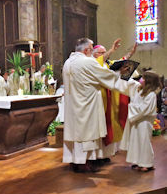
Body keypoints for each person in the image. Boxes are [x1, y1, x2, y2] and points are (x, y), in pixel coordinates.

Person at [62, 37, 129, 172]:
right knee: (85, 134)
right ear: (86, 50)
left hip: (73, 105)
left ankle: (74, 160)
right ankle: (82, 162)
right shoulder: (87, 62)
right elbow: (105, 76)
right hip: (86, 104)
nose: (92, 52)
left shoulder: (68, 62)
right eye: (92, 49)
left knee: (76, 134)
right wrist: (119, 73)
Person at [92, 40, 137, 162]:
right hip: (100, 99)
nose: (104, 54)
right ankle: (98, 156)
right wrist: (112, 49)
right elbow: (104, 70)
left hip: (110, 98)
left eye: (104, 52)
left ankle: (106, 155)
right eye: (101, 52)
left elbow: (120, 62)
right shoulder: (93, 64)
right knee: (102, 128)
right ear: (94, 54)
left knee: (111, 127)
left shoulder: (108, 63)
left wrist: (130, 54)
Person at [120, 71, 162, 172]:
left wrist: (130, 107)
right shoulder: (140, 90)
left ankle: (147, 163)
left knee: (144, 142)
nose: (140, 80)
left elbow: (144, 109)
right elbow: (130, 84)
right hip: (138, 120)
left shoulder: (151, 94)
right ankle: (139, 162)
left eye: (143, 78)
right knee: (137, 141)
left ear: (148, 81)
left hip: (144, 121)